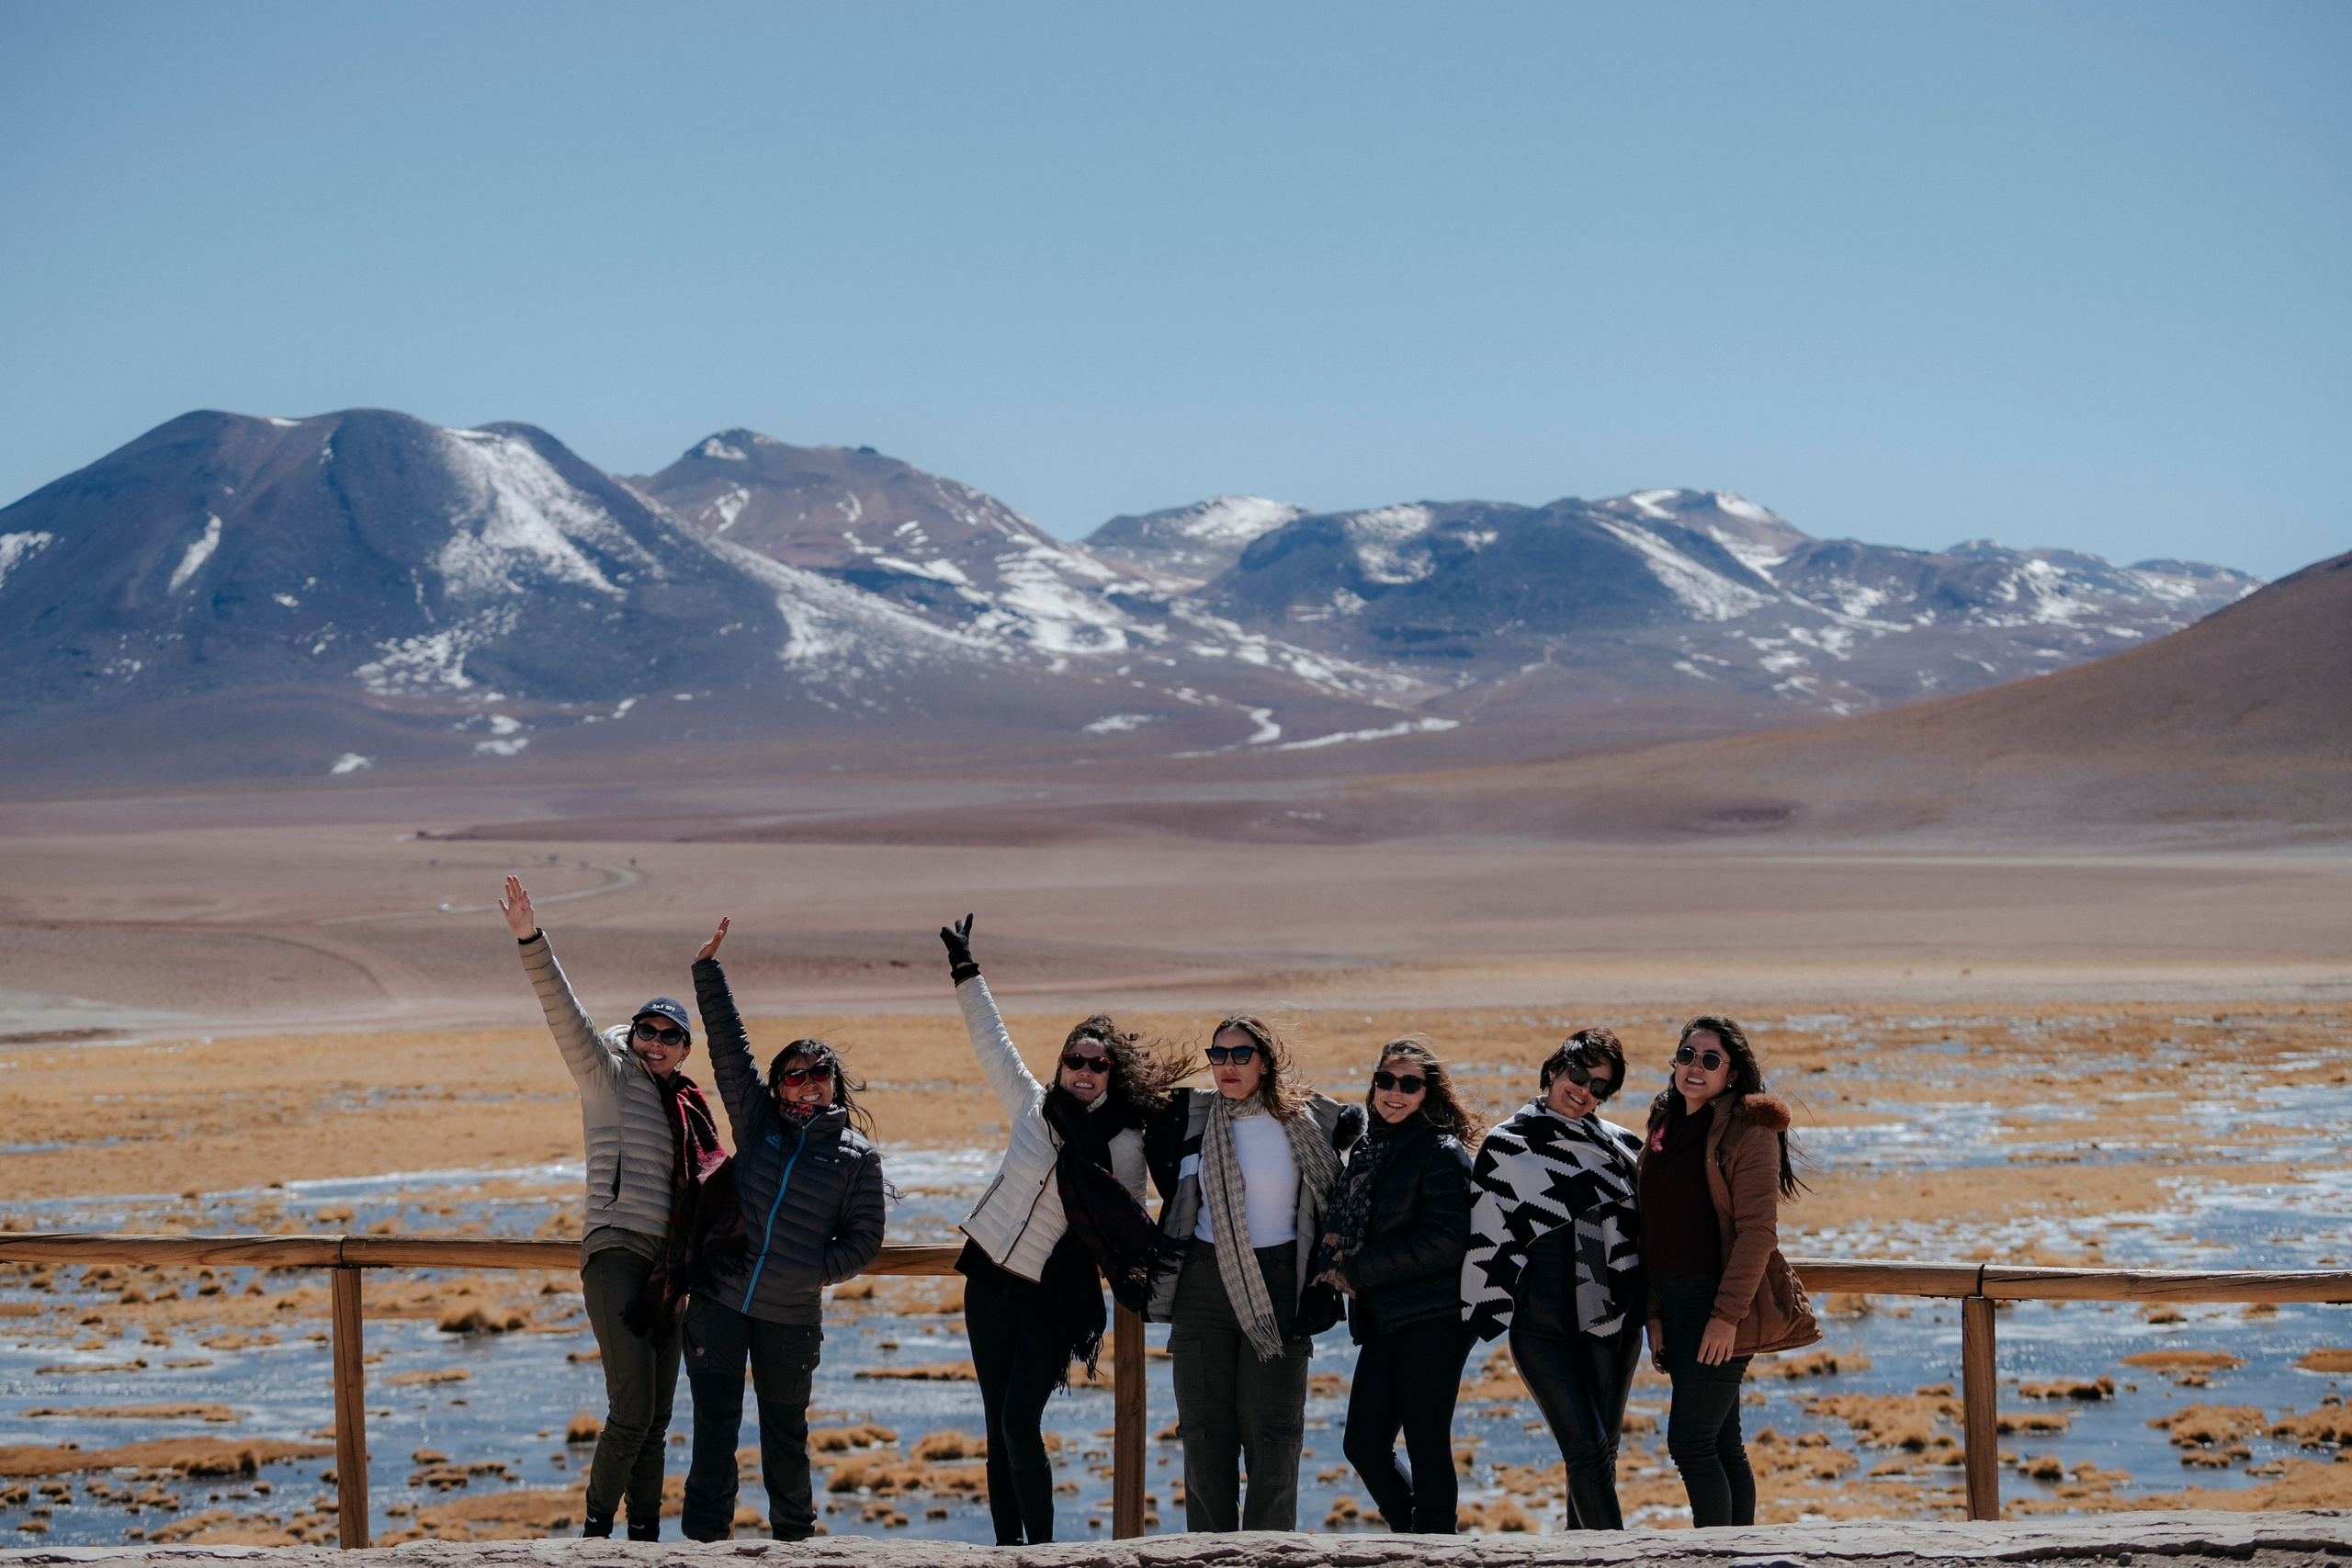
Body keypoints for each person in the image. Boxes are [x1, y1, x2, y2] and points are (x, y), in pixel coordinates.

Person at [936, 915, 1183, 1546]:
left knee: (1020, 1420)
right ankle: (1004, 1549)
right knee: (998, 1425)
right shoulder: (1033, 1104)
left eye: (1096, 1063)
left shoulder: (1125, 1141)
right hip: (988, 1278)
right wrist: (966, 967)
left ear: (1110, 1071)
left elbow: (1127, 1217)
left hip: (1053, 1296)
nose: (1083, 1069)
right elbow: (991, 1040)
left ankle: (1041, 1551)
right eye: (1073, 1058)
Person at [501, 875, 712, 1541]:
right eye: (646, 1029)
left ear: (683, 1048)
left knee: (656, 1415)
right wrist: (531, 939)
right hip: (617, 1253)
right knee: (631, 1407)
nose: (653, 1041)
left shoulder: (688, 1105)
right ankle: (595, 1532)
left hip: (668, 1269)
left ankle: (644, 1534)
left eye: (668, 1034)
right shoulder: (607, 1073)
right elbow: (564, 1013)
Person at [679, 917, 887, 1543]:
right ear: (777, 1084)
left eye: (818, 1071)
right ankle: (703, 1544)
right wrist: (707, 970)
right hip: (720, 1301)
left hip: (791, 1316)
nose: (807, 1081)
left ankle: (796, 1540)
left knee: (785, 1431)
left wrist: (809, 1272)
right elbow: (728, 1048)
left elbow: (864, 1238)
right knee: (714, 1424)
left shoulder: (855, 1155)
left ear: (833, 1081)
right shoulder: (759, 1122)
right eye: (793, 1073)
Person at [1144, 1014, 1362, 1533]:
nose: (1227, 1066)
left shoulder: (1313, 1122)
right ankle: (1208, 1553)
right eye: (1218, 1055)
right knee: (1203, 1433)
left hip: (1282, 1282)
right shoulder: (1191, 1117)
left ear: (1266, 1062)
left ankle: (1270, 1554)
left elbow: (1349, 1197)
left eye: (1241, 1055)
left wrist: (1326, 1284)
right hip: (1204, 1279)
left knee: (1273, 1434)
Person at [1639, 1014, 1818, 1528]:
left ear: (1732, 1073)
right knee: (1721, 1441)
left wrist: (1726, 1317)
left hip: (1717, 1306)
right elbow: (1654, 1227)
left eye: (1710, 1060)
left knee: (1690, 1442)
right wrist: (1653, 1312)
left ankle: (1716, 1557)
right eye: (1687, 1056)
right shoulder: (1665, 1125)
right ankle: (1742, 1555)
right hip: (1674, 1304)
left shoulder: (1749, 1132)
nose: (1696, 1067)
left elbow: (1757, 1232)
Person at [1463, 1029, 1646, 1530]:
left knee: (1598, 1460)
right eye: (1579, 1075)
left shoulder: (1622, 1147)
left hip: (1613, 1325)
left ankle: (1581, 1554)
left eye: (1600, 1087)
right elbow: (1484, 1239)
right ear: (1553, 1072)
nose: (1584, 1090)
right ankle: (1620, 1564)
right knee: (1587, 1453)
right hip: (1541, 1329)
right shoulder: (1506, 1146)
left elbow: (1649, 1233)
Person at [1317, 1039, 1480, 1535]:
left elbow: (1447, 1240)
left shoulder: (1441, 1150)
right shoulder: (1372, 1147)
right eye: (1386, 1080)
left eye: (1410, 1084)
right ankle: (1417, 1539)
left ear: (1427, 1093)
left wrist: (1360, 1268)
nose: (1395, 1092)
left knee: (1427, 1439)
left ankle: (1434, 1547)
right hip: (1385, 1313)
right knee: (1363, 1444)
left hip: (1435, 1316)